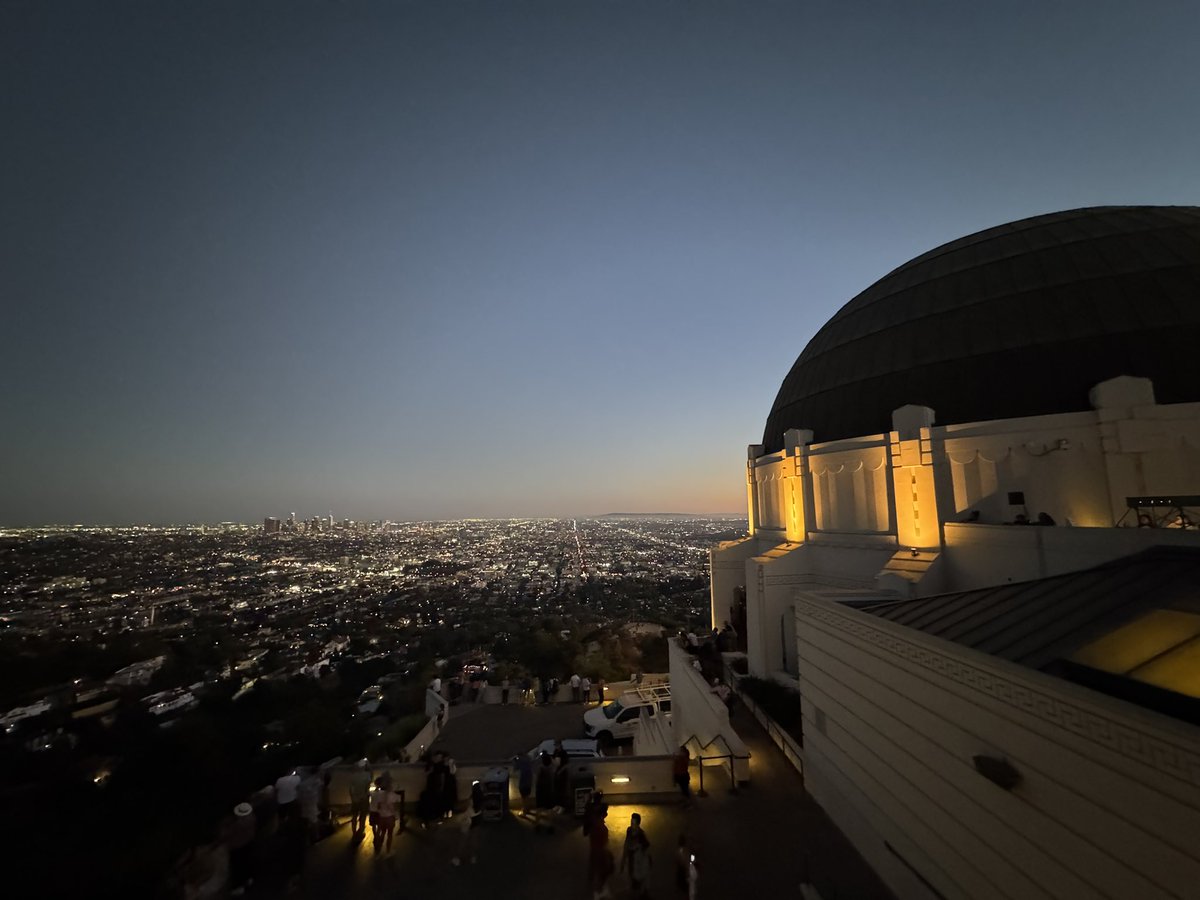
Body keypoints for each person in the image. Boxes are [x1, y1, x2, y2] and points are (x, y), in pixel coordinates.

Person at [226, 802, 257, 897]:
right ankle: (248, 879)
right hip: (249, 843)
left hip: (238, 847)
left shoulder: (238, 824)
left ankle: (238, 886)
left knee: (237, 866)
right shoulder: (252, 818)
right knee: (247, 861)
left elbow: (229, 835)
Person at [452, 781, 484, 866]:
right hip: (477, 819)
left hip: (468, 819)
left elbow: (463, 807)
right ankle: (473, 857)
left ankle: (457, 859)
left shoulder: (471, 799)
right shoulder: (480, 799)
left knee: (463, 840)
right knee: (474, 840)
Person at [587, 803, 614, 900]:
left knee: (597, 873)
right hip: (601, 854)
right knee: (603, 873)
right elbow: (605, 844)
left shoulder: (594, 825)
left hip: (594, 853)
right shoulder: (602, 828)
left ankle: (600, 891)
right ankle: (599, 893)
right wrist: (609, 857)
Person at [373, 778, 399, 856]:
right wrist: (396, 815)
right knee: (390, 835)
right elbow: (392, 806)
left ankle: (378, 851)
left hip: (381, 817)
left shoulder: (379, 794)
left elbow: (378, 807)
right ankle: (388, 851)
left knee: (382, 833)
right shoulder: (392, 795)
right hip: (389, 817)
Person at [534, 753, 557, 833]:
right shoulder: (552, 768)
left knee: (539, 809)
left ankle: (537, 825)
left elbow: (537, 780)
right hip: (549, 791)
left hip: (541, 791)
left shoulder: (540, 768)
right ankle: (550, 826)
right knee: (550, 810)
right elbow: (555, 765)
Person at [348, 760, 372, 836]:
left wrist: (353, 797)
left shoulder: (353, 775)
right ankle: (361, 831)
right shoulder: (367, 775)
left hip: (355, 798)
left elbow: (351, 789)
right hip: (364, 798)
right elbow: (367, 787)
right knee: (363, 815)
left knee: (354, 815)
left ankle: (354, 832)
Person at [514, 753, 534, 817]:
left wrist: (515, 761)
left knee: (524, 797)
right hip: (529, 781)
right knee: (527, 796)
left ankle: (524, 811)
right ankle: (527, 809)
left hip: (523, 782)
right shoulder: (528, 760)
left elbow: (515, 769)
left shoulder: (520, 762)